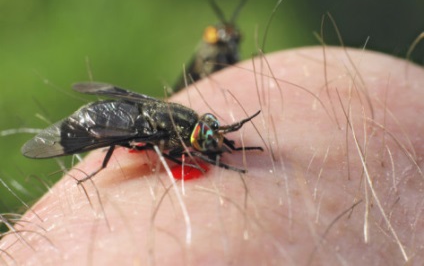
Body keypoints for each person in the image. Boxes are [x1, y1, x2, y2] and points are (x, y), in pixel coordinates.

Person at [1, 46, 423, 265]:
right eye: (209, 136)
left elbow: (185, 127)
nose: (213, 136)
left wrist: (224, 145)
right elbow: (136, 137)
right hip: (111, 122)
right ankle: (95, 169)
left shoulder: (188, 120)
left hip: (131, 110)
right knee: (116, 138)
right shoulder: (165, 133)